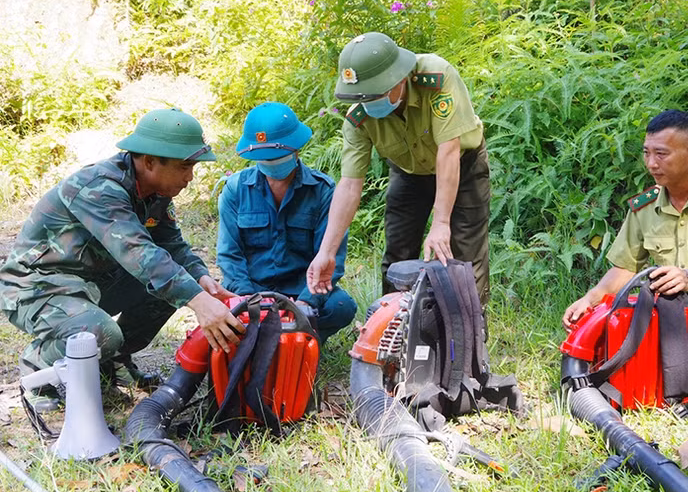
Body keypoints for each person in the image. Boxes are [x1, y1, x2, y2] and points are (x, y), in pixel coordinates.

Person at [0, 108, 246, 410]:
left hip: (91, 282)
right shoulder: (100, 188)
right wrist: (198, 300)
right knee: (98, 332)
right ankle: (38, 370)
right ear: (150, 161)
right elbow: (137, 252)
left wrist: (201, 280)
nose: (190, 177)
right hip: (37, 286)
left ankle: (112, 362)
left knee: (171, 289)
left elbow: (169, 244)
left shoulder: (155, 189)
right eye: (184, 167)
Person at [563, 109, 688, 376]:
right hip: (669, 305)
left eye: (661, 154)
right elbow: (625, 268)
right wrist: (590, 300)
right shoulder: (644, 207)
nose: (651, 164)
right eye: (647, 152)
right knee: (608, 329)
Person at [306, 32, 491, 304]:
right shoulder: (358, 117)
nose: (368, 104)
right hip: (409, 173)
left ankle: (470, 337)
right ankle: (393, 330)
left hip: (461, 166)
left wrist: (440, 223)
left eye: (375, 94)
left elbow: (449, 150)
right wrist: (327, 251)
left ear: (399, 78)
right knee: (398, 254)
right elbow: (349, 184)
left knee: (463, 257)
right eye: (362, 97)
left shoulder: (436, 77)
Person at [217, 102, 357, 343]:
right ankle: (257, 339)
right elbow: (230, 256)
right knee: (218, 308)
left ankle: (304, 339)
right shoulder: (235, 190)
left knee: (341, 306)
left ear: (296, 150)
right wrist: (249, 301)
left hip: (302, 290)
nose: (272, 164)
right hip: (252, 291)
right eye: (265, 159)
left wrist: (305, 303)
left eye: (278, 157)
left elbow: (333, 258)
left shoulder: (323, 191)